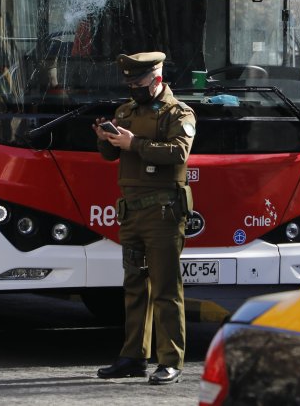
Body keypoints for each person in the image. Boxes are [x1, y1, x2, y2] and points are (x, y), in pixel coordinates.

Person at [93, 51, 197, 385]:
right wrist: (106, 140)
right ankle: (133, 356)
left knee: (166, 288)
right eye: (129, 82)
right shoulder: (125, 111)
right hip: (133, 212)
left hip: (164, 213)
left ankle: (171, 361)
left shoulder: (178, 113)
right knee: (135, 286)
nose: (132, 87)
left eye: (138, 82)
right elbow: (111, 155)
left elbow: (178, 152)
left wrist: (133, 142)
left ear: (156, 78)